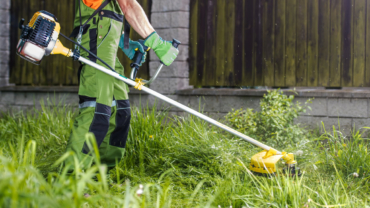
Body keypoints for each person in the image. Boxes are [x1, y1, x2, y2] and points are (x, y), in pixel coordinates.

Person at [65, 0, 179, 172]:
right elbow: (127, 5)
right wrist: (157, 43)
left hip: (106, 48)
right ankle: (69, 180)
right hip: (97, 47)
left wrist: (125, 45)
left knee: (120, 109)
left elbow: (106, 16)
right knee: (97, 110)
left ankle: (99, 174)